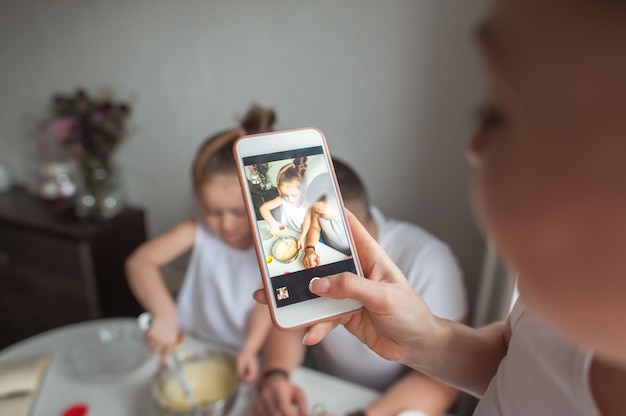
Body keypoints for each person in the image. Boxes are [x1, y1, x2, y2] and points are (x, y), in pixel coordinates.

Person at [254, 0, 626, 415]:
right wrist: (429, 342)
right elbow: (518, 364)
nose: (474, 149)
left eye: (497, 114)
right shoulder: (549, 304)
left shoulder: (431, 259)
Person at [254, 158, 468, 416]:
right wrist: (276, 375)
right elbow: (292, 325)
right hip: (323, 386)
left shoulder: (430, 261)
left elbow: (443, 382)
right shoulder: (310, 244)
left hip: (392, 401)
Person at [125, 104, 275, 383]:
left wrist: (250, 348)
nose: (226, 225)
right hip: (193, 344)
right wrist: (164, 313)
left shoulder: (272, 244)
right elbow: (139, 262)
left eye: (239, 212)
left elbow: (265, 305)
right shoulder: (197, 231)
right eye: (213, 212)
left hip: (247, 354)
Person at [259, 157, 311, 249]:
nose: (289, 199)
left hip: (305, 234)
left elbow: (307, 223)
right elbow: (263, 208)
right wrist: (273, 223)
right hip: (289, 231)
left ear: (302, 190)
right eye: (285, 194)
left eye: (294, 195)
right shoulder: (282, 199)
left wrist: (302, 237)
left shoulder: (308, 204)